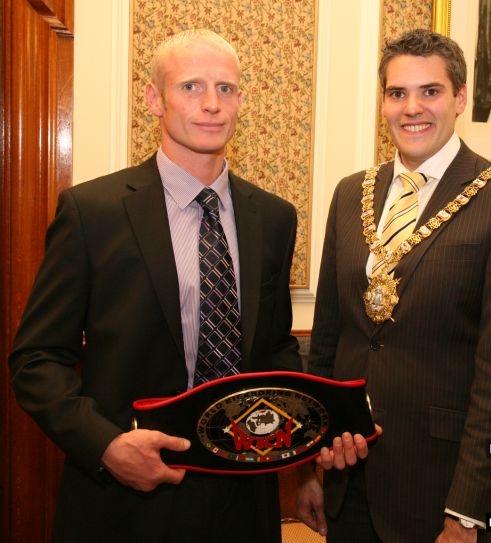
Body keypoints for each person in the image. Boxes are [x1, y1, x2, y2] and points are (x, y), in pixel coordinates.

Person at [9, 29, 302, 543]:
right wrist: (105, 445)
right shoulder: (92, 212)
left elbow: (275, 347)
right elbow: (37, 359)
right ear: (153, 99)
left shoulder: (273, 217)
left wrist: (300, 439)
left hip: (244, 500)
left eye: (226, 89)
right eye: (191, 87)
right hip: (126, 500)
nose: (212, 105)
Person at [296, 28, 491, 543]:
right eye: (397, 93)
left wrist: (469, 515)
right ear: (383, 103)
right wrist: (310, 467)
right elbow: (327, 344)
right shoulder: (350, 194)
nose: (412, 107)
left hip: (445, 493)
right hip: (350, 480)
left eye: (429, 91)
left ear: (459, 98)